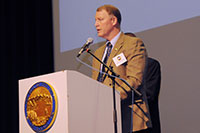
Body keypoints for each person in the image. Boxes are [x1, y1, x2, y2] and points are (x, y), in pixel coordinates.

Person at [92, 5, 152, 133]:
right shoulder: (98, 53)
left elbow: (134, 81)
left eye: (100, 20)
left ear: (113, 21)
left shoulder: (133, 44)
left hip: (130, 120)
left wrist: (110, 98)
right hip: (106, 121)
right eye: (95, 20)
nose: (96, 24)